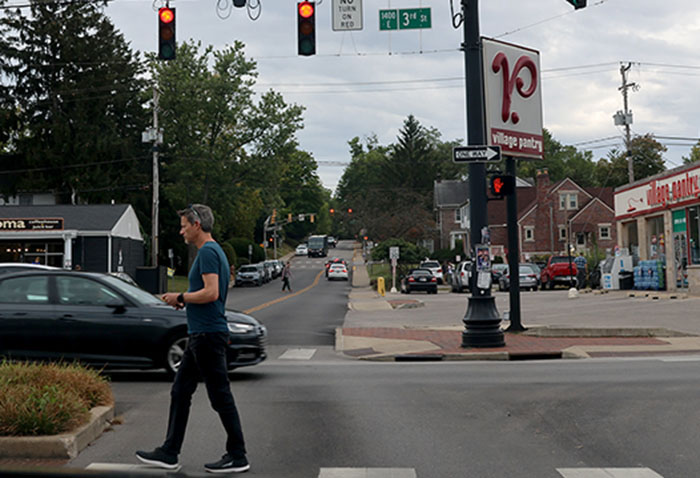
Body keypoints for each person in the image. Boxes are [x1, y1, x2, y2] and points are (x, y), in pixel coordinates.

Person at [135, 204, 250, 474]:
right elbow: (208, 295)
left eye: (184, 225)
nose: (181, 230)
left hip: (208, 335)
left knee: (220, 397)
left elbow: (211, 293)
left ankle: (238, 455)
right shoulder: (212, 251)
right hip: (201, 334)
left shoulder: (208, 252)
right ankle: (169, 452)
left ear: (197, 224)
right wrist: (185, 302)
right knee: (180, 391)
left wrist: (182, 297)